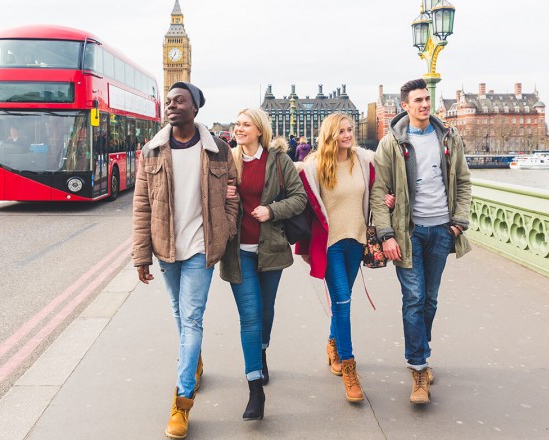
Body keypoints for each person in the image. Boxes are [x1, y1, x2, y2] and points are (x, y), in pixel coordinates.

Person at [132, 82, 239, 438]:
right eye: (169, 101)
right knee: (179, 313)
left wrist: (226, 230)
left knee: (192, 318)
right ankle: (193, 363)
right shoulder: (152, 151)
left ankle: (182, 401)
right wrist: (141, 255)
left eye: (180, 100)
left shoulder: (220, 150)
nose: (171, 105)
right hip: (166, 249)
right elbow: (142, 205)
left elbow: (231, 198)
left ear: (195, 108)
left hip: (200, 249)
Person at [370, 78, 472, 405]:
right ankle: (418, 367)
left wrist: (458, 223)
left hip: (441, 229)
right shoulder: (392, 144)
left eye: (427, 99)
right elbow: (378, 191)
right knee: (414, 297)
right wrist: (386, 235)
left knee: (430, 299)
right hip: (408, 233)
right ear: (405, 106)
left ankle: (421, 350)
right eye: (418, 100)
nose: (425, 105)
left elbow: (463, 182)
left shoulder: (449, 138)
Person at [219, 109, 306, 421]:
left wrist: (271, 210)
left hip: (270, 249)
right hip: (238, 250)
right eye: (237, 123)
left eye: (245, 124)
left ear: (259, 130)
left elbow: (299, 199)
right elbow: (212, 199)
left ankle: (262, 349)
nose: (239, 128)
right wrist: (222, 194)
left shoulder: (279, 161)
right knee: (250, 318)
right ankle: (255, 389)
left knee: (266, 312)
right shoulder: (228, 159)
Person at [294, 113, 377, 404]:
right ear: (330, 135)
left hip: (356, 240)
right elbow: (303, 204)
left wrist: (387, 200)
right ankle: (349, 366)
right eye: (341, 131)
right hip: (330, 244)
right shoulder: (315, 166)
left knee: (344, 300)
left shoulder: (364, 161)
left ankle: (333, 343)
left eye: (350, 129)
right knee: (342, 301)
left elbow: (380, 187)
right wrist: (304, 248)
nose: (348, 135)